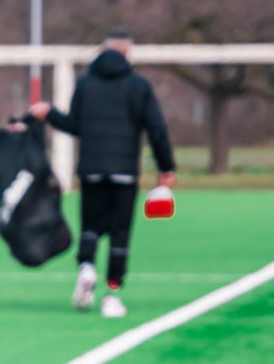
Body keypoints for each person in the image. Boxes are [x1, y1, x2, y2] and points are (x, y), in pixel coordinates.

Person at [30, 29, 176, 318]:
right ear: (127, 54)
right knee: (120, 233)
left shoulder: (86, 83)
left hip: (91, 170)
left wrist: (49, 113)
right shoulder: (139, 86)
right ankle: (112, 294)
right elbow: (157, 130)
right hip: (125, 172)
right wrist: (166, 168)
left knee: (90, 227)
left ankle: (86, 269)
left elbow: (74, 125)